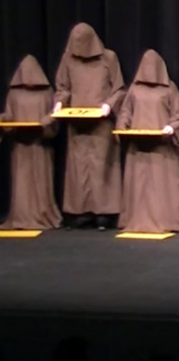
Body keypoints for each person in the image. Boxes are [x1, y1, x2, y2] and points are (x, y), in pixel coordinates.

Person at [53, 22, 125, 230]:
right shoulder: (68, 59)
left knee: (101, 165)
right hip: (77, 122)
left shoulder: (108, 58)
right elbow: (63, 87)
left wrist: (108, 106)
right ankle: (81, 211)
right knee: (79, 166)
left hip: (101, 122)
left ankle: (103, 213)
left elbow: (119, 88)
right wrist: (60, 102)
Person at [116, 50, 179, 233]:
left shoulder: (169, 88)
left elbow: (178, 115)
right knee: (139, 184)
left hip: (162, 147)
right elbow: (126, 111)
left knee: (162, 184)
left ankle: (168, 220)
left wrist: (171, 128)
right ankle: (136, 219)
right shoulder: (134, 89)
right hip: (138, 146)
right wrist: (122, 126)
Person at [0, 55, 62, 230]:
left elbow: (54, 116)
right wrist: (3, 121)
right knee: (22, 182)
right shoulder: (14, 93)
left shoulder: (47, 93)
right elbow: (9, 115)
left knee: (41, 182)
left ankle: (42, 214)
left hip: (40, 146)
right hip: (20, 147)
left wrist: (46, 122)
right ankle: (21, 216)